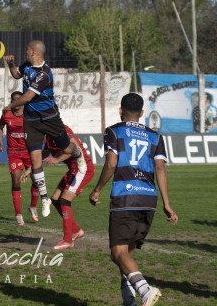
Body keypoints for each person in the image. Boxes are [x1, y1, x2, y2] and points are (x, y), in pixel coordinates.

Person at [89, 93, 179, 306]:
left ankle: (145, 290)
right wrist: (167, 203)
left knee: (118, 252)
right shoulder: (154, 136)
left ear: (120, 111)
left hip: (125, 197)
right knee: (125, 253)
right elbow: (160, 168)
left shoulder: (114, 131)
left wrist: (97, 189)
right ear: (141, 113)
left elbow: (111, 164)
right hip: (148, 199)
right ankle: (128, 301)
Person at [3, 40, 87, 219]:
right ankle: (44, 198)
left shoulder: (44, 74)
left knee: (66, 149)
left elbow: (26, 97)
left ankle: (77, 152)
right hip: (31, 121)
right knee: (35, 161)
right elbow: (16, 75)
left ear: (34, 52)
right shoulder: (27, 65)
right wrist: (10, 65)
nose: (25, 52)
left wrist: (9, 107)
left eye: (27, 50)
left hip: (50, 119)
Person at [41, 125, 95, 250]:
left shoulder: (60, 130)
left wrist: (56, 159)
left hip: (83, 168)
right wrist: (30, 168)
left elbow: (73, 146)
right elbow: (44, 153)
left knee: (65, 200)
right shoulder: (47, 136)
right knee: (55, 199)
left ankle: (68, 240)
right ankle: (76, 230)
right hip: (73, 169)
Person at [0, 91, 39, 226]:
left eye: (18, 99)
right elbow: (0, 127)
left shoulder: (29, 114)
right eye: (13, 99)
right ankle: (18, 214)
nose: (15, 101)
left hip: (28, 151)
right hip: (13, 152)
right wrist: (0, 143)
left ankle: (33, 206)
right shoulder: (6, 115)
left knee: (37, 180)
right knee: (16, 179)